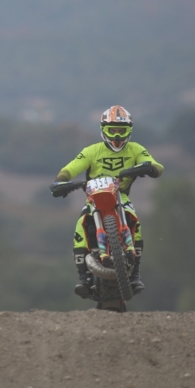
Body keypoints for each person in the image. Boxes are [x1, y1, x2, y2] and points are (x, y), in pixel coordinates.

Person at [54, 105, 164, 298]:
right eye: (112, 129)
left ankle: (135, 275)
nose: (116, 134)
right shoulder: (91, 151)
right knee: (81, 226)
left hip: (121, 197)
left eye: (121, 129)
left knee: (135, 223)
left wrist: (152, 169)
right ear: (104, 129)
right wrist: (61, 181)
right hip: (94, 199)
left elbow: (155, 165)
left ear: (129, 130)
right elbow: (70, 168)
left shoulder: (136, 149)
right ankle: (84, 279)